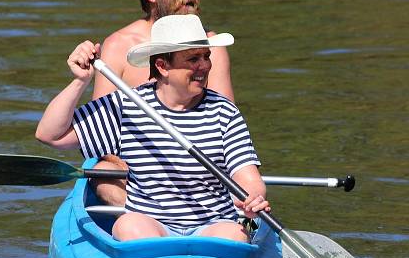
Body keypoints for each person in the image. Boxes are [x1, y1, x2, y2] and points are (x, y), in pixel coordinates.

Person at [35, 14, 268, 243]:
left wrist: (253, 197)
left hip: (213, 225)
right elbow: (51, 135)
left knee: (235, 235)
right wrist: (80, 81)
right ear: (162, 66)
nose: (205, 66)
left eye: (206, 56)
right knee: (128, 225)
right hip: (152, 224)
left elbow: (247, 176)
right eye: (193, 59)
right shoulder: (127, 105)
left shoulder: (224, 111)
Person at [90, 0, 233, 206]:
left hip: (199, 167)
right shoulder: (119, 45)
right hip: (134, 170)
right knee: (104, 172)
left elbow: (228, 123)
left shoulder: (211, 45)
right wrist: (121, 164)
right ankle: (148, 223)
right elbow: (101, 133)